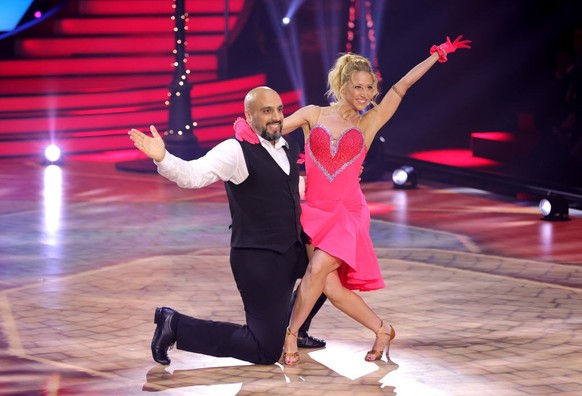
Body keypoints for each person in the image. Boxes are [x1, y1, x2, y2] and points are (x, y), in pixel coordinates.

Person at [235, 35, 471, 364]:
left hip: (348, 211)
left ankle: (290, 336)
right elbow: (271, 132)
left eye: (370, 88)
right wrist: (249, 127)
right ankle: (382, 329)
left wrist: (438, 55)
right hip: (315, 211)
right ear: (344, 85)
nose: (366, 95)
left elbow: (402, 86)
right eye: (359, 87)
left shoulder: (370, 121)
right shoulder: (313, 114)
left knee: (317, 270)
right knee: (329, 287)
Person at [128, 86, 324, 365]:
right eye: (267, 110)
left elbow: (287, 188)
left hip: (291, 248)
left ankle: (295, 329)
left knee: (329, 269)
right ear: (248, 115)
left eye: (279, 109)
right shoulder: (235, 150)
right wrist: (163, 157)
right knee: (264, 351)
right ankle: (175, 325)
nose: (276, 117)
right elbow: (192, 175)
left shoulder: (287, 145)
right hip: (259, 258)